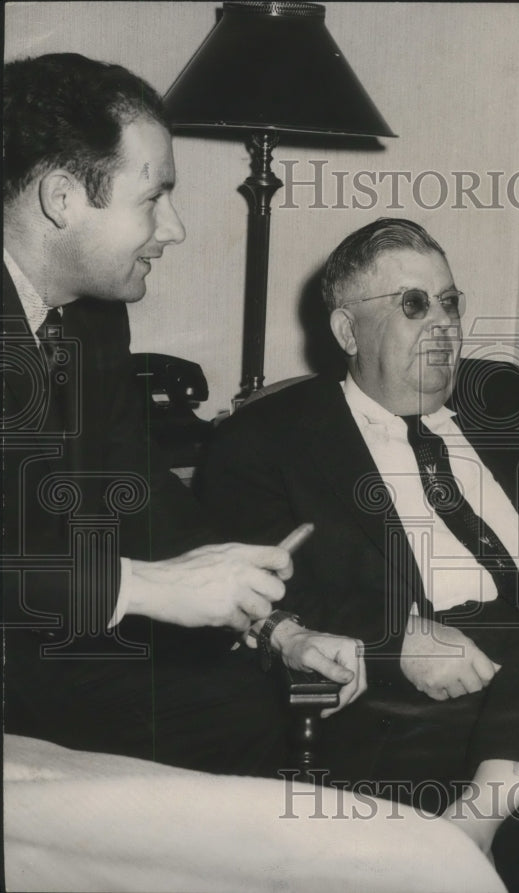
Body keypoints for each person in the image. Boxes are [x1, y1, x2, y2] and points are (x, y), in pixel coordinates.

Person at [199, 217, 519, 892]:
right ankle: (506, 790)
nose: (444, 324)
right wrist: (396, 638)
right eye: (413, 304)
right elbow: (262, 588)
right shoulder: (267, 439)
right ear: (346, 331)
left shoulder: (501, 394)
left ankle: (476, 814)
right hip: (419, 705)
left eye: (450, 300)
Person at [2, 53, 366, 774]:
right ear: (61, 198)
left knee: (287, 715)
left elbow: (132, 482)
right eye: (154, 197)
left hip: (49, 655)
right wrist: (146, 587)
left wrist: (274, 625)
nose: (176, 229)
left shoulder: (95, 318)